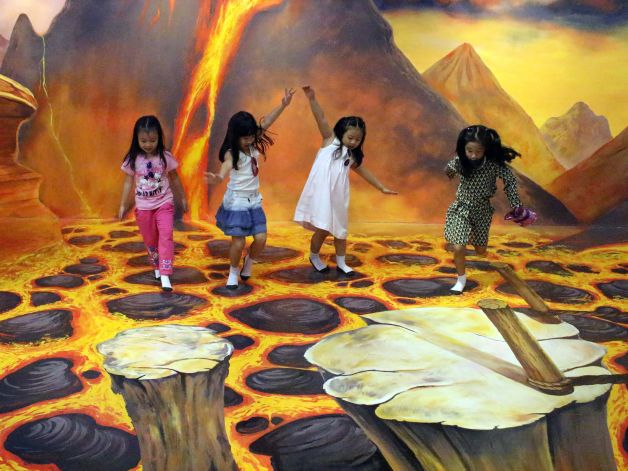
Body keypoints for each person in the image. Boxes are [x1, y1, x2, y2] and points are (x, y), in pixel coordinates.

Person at [294, 86, 397, 275]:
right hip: (322, 195)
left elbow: (364, 172)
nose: (353, 142)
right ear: (341, 133)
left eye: (358, 140)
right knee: (323, 230)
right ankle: (314, 256)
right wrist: (312, 99)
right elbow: (321, 118)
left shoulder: (351, 156)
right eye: (350, 137)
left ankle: (341, 262)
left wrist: (381, 187)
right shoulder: (329, 141)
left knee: (341, 230)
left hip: (338, 198)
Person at [205, 88, 295, 289]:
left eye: (251, 136)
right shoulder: (232, 152)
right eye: (244, 138)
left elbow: (268, 121)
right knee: (238, 242)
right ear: (235, 136)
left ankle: (249, 261)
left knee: (261, 239)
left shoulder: (252, 142)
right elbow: (226, 165)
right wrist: (219, 177)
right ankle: (233, 271)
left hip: (254, 201)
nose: (249, 140)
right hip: (237, 201)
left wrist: (283, 105)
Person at [444, 124, 524, 294]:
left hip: (482, 211)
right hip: (462, 208)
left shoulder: (493, 165)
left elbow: (510, 182)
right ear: (464, 149)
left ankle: (472, 237)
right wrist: (450, 170)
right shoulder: (460, 161)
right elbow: (448, 170)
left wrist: (516, 204)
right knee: (458, 247)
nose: (473, 155)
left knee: (480, 251)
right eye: (469, 151)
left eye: (478, 152)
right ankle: (461, 280)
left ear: (485, 150)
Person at [118, 115, 187, 292]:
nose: (148, 144)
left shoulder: (165, 157)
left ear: (159, 138)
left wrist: (183, 197)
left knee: (166, 235)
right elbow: (127, 182)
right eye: (144, 141)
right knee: (150, 239)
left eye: (153, 140)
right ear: (137, 139)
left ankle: (165, 273)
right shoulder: (133, 159)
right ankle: (156, 265)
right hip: (143, 206)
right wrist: (123, 204)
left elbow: (175, 177)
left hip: (164, 202)